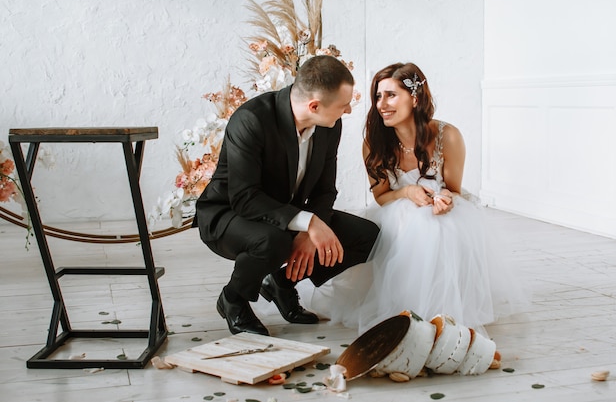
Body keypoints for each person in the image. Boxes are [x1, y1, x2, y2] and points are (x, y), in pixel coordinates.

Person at [305, 62, 530, 335]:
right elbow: (382, 196)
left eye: (391, 95)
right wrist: (408, 192)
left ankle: (442, 308)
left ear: (414, 97)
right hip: (396, 210)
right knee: (418, 226)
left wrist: (444, 198)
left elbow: (454, 189)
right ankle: (405, 305)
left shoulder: (448, 136)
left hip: (440, 206)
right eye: (378, 96)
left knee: (440, 226)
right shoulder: (373, 143)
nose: (381, 104)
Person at [194, 55, 380, 336]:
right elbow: (245, 197)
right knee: (274, 240)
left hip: (285, 213)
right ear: (314, 106)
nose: (349, 110)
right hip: (228, 215)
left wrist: (309, 231)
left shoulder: (330, 125)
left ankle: (280, 284)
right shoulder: (251, 120)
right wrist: (308, 223)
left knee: (365, 236)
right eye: (344, 104)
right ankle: (233, 299)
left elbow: (325, 190)